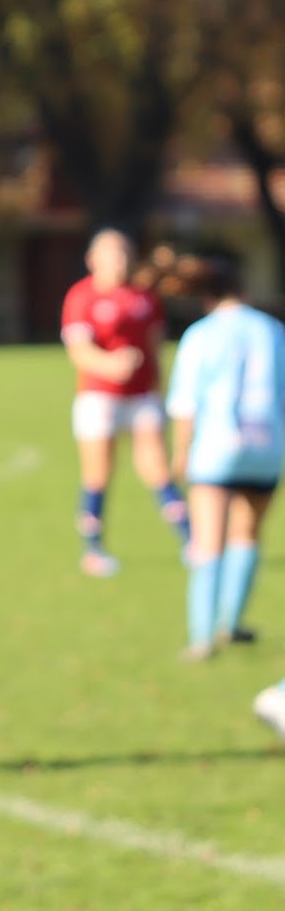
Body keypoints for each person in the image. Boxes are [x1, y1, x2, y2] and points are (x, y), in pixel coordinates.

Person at [164, 254, 285, 661]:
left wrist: (181, 451)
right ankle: (230, 624)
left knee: (208, 540)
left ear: (206, 297)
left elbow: (186, 402)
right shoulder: (272, 330)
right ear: (244, 290)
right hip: (266, 447)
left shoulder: (201, 334)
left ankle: (201, 636)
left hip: (216, 448)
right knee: (247, 533)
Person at [61, 228, 190, 577]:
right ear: (93, 259)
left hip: (141, 396)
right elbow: (80, 351)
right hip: (99, 397)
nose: (118, 260)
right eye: (111, 253)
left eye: (123, 253)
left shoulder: (144, 297)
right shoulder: (81, 297)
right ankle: (94, 549)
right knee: (98, 473)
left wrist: (160, 392)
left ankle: (192, 541)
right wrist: (111, 365)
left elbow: (154, 347)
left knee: (158, 470)